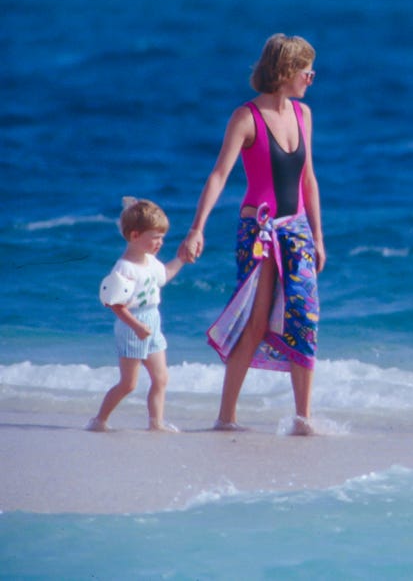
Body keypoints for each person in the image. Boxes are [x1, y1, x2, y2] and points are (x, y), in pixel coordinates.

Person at [178, 34, 325, 435]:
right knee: (256, 323)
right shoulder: (246, 117)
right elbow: (219, 176)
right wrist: (196, 229)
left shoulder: (304, 115)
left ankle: (302, 419)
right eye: (306, 70)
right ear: (286, 71)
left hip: (295, 232)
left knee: (305, 321)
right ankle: (226, 418)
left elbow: (308, 179)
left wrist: (318, 235)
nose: (312, 77)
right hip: (258, 232)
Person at [88, 197, 185, 432]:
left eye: (162, 237)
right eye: (155, 237)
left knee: (161, 378)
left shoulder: (151, 262)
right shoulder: (124, 268)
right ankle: (99, 420)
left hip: (153, 320)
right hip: (132, 326)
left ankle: (156, 423)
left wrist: (181, 258)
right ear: (134, 236)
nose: (160, 242)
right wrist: (137, 327)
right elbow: (115, 304)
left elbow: (164, 276)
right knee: (129, 384)